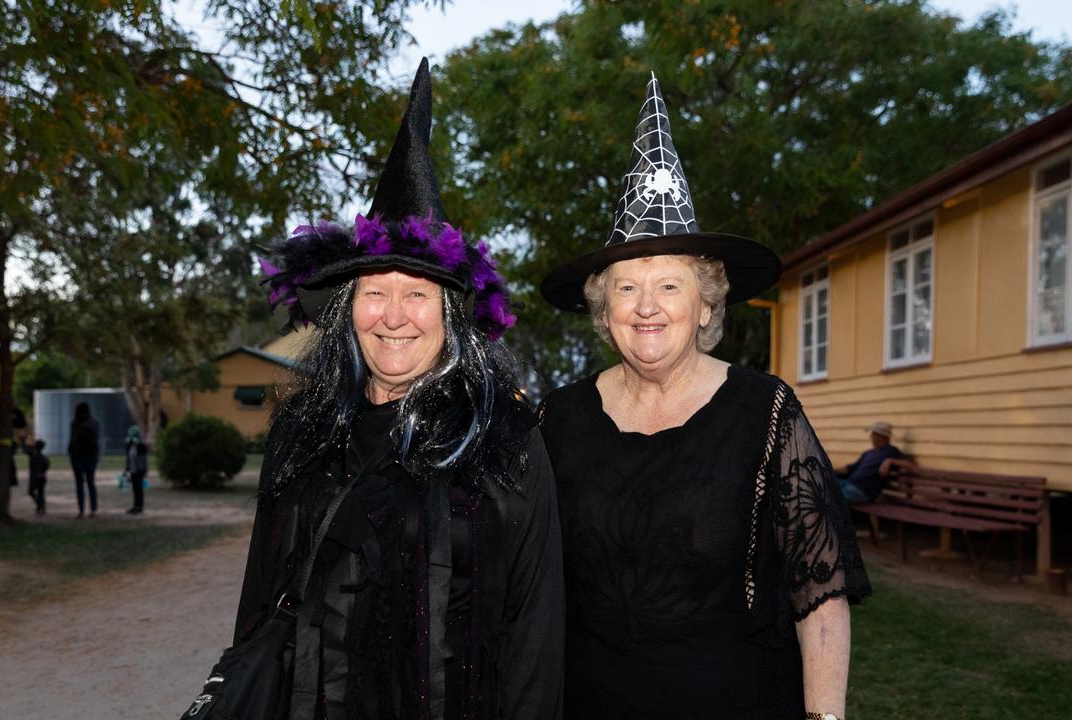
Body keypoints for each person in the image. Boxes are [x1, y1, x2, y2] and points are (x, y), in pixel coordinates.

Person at [233, 59, 563, 719]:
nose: (392, 315)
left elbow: (535, 631)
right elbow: (259, 603)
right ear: (345, 310)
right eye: (373, 292)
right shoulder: (303, 433)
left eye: (416, 293)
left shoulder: (508, 446)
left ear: (450, 315)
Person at [538, 74, 870, 719]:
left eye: (670, 286)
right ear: (604, 315)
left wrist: (826, 717)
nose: (646, 308)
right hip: (583, 702)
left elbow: (819, 591)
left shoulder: (765, 410)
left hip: (736, 700)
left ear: (705, 306)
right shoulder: (557, 418)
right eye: (626, 290)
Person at [834, 422, 907, 504]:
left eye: (874, 434)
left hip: (863, 491)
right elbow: (850, 468)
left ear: (882, 437)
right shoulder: (868, 453)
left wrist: (890, 460)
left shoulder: (891, 451)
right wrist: (830, 471)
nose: (871, 436)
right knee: (823, 488)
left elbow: (910, 465)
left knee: (830, 499)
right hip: (850, 483)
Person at [67, 402, 101, 518]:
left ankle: (82, 510)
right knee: (90, 483)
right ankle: (93, 509)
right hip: (90, 456)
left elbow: (72, 439)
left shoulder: (75, 423)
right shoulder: (93, 422)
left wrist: (70, 451)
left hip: (79, 456)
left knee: (80, 484)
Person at [124, 425, 148, 515]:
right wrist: (126, 470)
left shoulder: (141, 446)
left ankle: (140, 507)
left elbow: (143, 460)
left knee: (139, 489)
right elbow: (128, 459)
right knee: (134, 489)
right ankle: (135, 506)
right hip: (133, 471)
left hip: (139, 471)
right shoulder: (129, 445)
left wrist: (144, 471)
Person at [26, 439, 50, 515]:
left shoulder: (33, 456)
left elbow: (25, 449)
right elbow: (47, 467)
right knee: (41, 493)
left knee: (31, 492)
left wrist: (23, 440)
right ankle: (41, 508)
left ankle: (40, 506)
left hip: (34, 478)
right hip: (42, 477)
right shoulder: (45, 458)